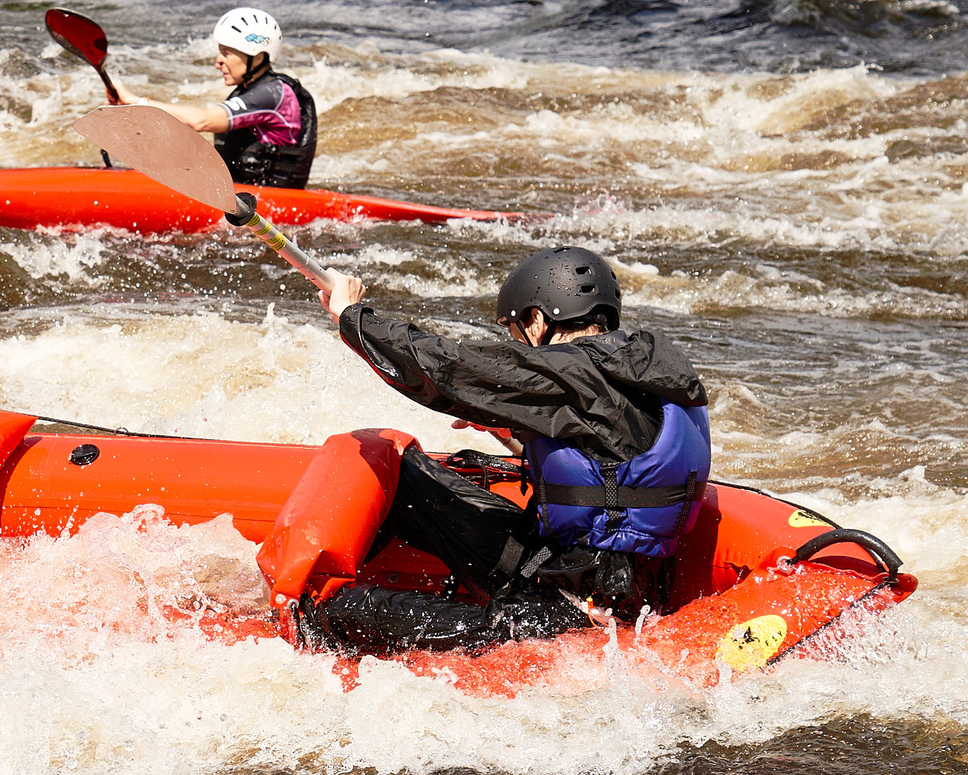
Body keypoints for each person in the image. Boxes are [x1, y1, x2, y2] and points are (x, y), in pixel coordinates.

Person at [303, 246, 711, 655]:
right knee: (406, 474)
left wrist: (353, 317)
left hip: (570, 610)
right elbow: (608, 461)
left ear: (538, 320)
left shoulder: (572, 371)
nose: (518, 347)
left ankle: (306, 619)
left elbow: (449, 368)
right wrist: (511, 431)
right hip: (577, 571)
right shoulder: (643, 369)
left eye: (516, 333)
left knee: (339, 614)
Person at [115, 7, 318, 190]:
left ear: (256, 57)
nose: (217, 62)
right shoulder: (251, 91)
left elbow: (201, 121)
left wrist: (136, 101)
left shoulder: (271, 94)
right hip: (244, 193)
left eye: (227, 54)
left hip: (270, 201)